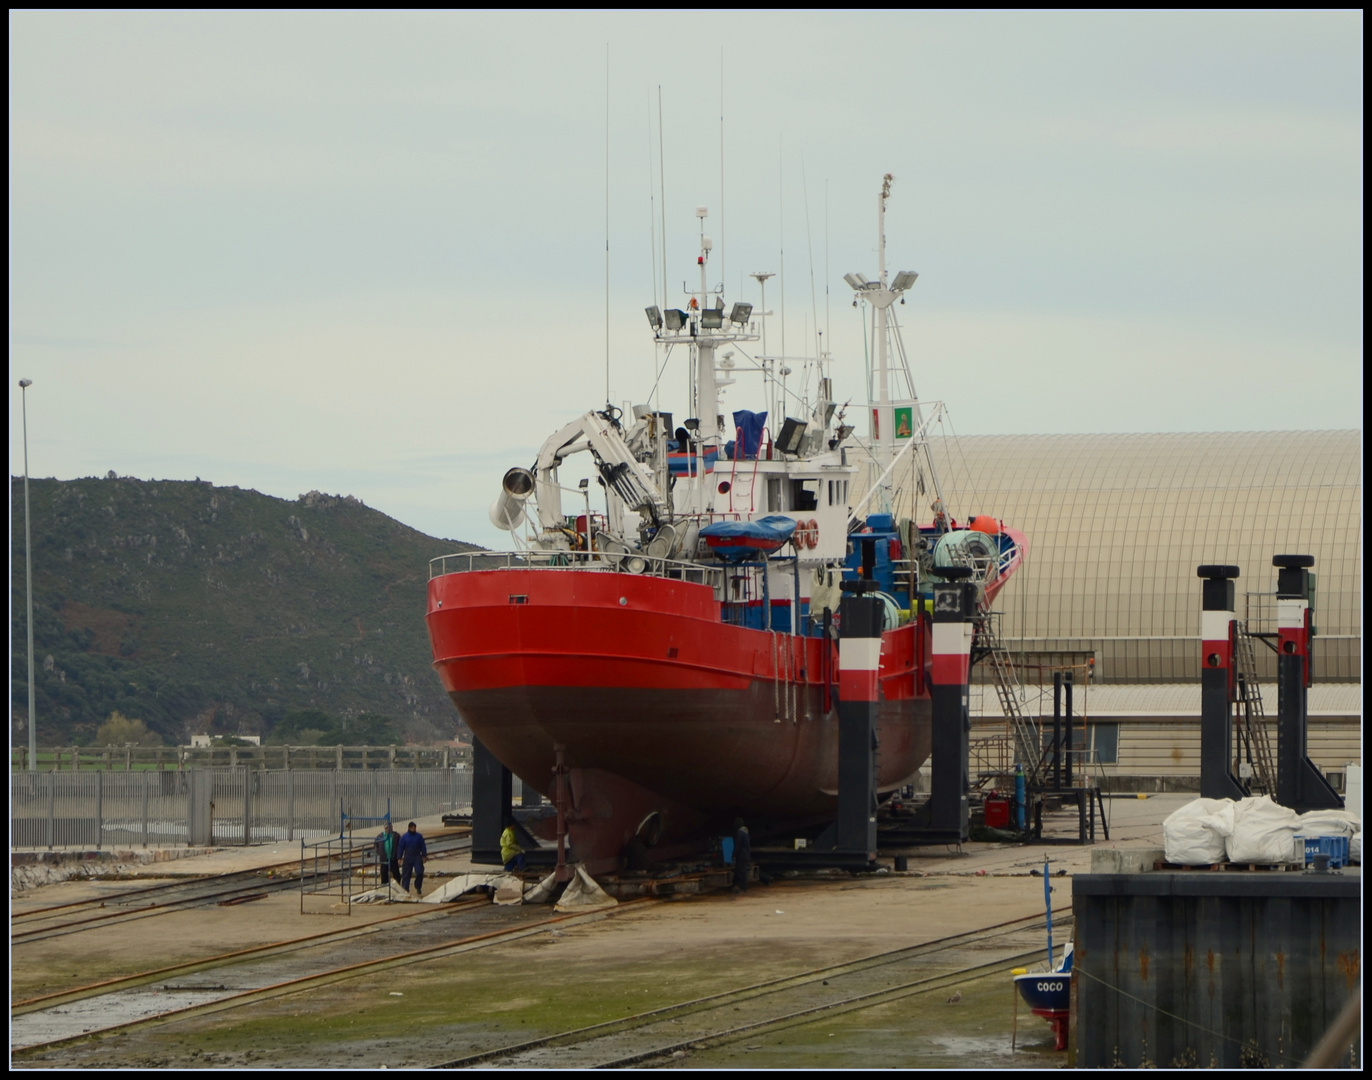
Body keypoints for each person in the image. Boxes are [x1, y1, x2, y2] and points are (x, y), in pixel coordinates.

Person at [398, 821, 427, 895]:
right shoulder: (404, 837)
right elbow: (401, 847)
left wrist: (424, 855)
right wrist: (399, 857)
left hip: (417, 856)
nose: (414, 829)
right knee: (406, 874)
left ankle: (418, 886)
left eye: (415, 828)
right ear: (409, 828)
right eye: (413, 828)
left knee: (420, 872)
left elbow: (423, 846)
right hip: (408, 857)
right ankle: (405, 889)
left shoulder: (419, 836)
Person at [374, 820, 401, 890]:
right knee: (384, 874)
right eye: (388, 827)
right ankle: (384, 888)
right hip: (384, 859)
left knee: (396, 874)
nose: (390, 828)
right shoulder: (380, 836)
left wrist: (399, 855)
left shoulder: (396, 836)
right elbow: (375, 844)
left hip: (393, 858)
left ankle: (397, 888)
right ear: (385, 828)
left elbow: (400, 845)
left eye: (391, 827)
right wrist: (379, 852)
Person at [731, 817, 751, 895]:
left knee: (741, 872)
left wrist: (733, 854)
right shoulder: (746, 833)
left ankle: (743, 887)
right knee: (740, 871)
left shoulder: (739, 833)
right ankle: (735, 885)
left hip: (741, 855)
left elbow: (737, 845)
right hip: (746, 854)